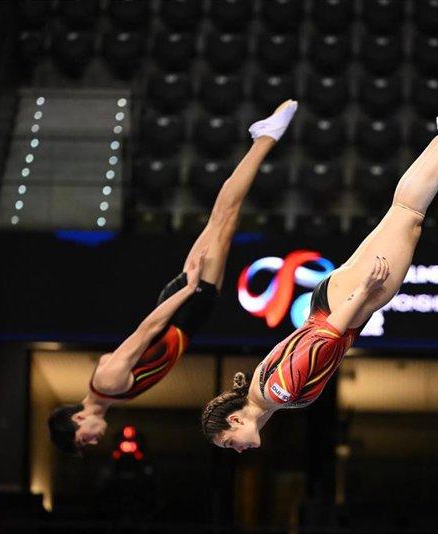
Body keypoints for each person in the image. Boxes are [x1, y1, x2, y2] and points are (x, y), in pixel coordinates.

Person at [201, 95, 438, 452]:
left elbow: (322, 338)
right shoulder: (262, 395)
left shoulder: (277, 393)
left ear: (235, 420)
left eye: (229, 443)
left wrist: (364, 292)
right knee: (404, 213)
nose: (237, 449)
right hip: (331, 302)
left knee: (410, 214)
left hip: (343, 307)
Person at [48, 99, 299, 454]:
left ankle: (265, 138)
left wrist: (187, 290)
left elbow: (147, 329)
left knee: (225, 215)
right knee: (223, 218)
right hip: (188, 312)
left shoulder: (107, 382)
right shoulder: (109, 395)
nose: (92, 441)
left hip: (183, 306)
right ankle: (264, 139)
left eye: (82, 439)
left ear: (76, 420)